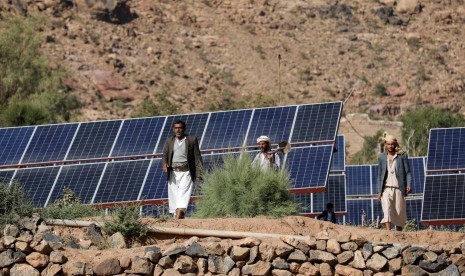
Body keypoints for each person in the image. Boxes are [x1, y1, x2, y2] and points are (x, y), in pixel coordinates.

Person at [162, 120, 203, 219]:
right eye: (176, 128)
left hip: (186, 172)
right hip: (173, 173)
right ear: (173, 129)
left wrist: (199, 174)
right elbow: (165, 154)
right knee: (174, 196)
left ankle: (179, 215)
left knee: (183, 194)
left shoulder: (191, 140)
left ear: (184, 129)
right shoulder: (169, 141)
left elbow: (197, 157)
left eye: (180, 128)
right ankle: (179, 217)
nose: (178, 130)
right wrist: (164, 163)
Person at [377, 134, 411, 231]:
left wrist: (408, 184)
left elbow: (408, 172)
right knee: (387, 210)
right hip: (386, 188)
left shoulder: (402, 156)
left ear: (395, 144)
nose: (390, 146)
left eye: (392, 144)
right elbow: (380, 175)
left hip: (399, 188)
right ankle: (389, 233)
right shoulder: (382, 157)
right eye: (388, 144)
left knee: (399, 212)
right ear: (385, 145)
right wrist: (379, 191)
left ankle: (398, 235)